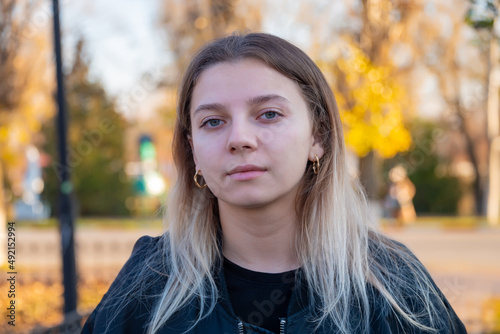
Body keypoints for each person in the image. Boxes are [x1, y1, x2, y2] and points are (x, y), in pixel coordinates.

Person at [82, 33, 466, 334]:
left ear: (318, 136)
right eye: (213, 121)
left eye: (268, 114)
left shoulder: (392, 284)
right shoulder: (149, 284)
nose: (240, 138)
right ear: (192, 150)